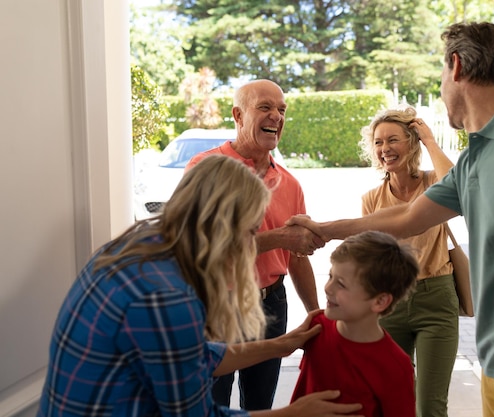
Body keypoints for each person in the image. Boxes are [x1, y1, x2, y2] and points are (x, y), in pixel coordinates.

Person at [288, 22, 494, 417]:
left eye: (441, 74)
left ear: (458, 66)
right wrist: (324, 230)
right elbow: (410, 217)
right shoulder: (476, 156)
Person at [37, 155, 363, 417]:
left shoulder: (141, 243)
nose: (252, 244)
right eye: (249, 231)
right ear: (219, 226)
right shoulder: (167, 298)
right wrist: (294, 414)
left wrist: (282, 344)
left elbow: (194, 355)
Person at [185, 79, 324, 410]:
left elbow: (297, 257)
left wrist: (316, 312)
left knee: (260, 405)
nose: (276, 115)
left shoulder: (290, 183)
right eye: (265, 107)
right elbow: (199, 245)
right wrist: (279, 238)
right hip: (218, 301)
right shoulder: (205, 169)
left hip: (272, 303)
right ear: (237, 114)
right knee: (210, 403)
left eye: (281, 109)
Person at [358, 105, 457, 417]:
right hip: (392, 303)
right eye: (378, 142)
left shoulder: (433, 185)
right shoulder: (372, 199)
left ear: (411, 143)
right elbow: (370, 256)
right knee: (393, 401)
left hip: (437, 299)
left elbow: (460, 183)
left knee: (430, 406)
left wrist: (429, 140)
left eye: (393, 140)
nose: (385, 149)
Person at [291, 231, 418, 417]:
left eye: (341, 284)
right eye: (330, 276)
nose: (327, 288)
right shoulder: (316, 327)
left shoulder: (396, 367)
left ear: (380, 301)